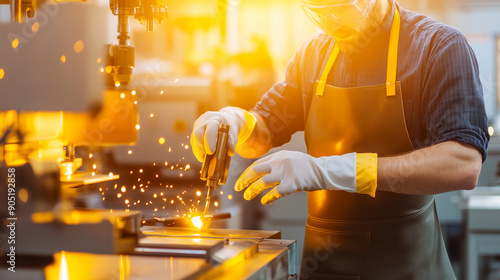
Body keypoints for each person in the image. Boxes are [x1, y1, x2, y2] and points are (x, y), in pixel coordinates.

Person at [191, 0, 489, 278]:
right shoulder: (313, 54)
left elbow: (462, 164)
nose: (330, 24)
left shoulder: (439, 47)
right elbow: (262, 132)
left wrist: (327, 171)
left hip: (407, 264)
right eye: (319, 13)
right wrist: (234, 122)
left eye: (339, 10)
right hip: (323, 266)